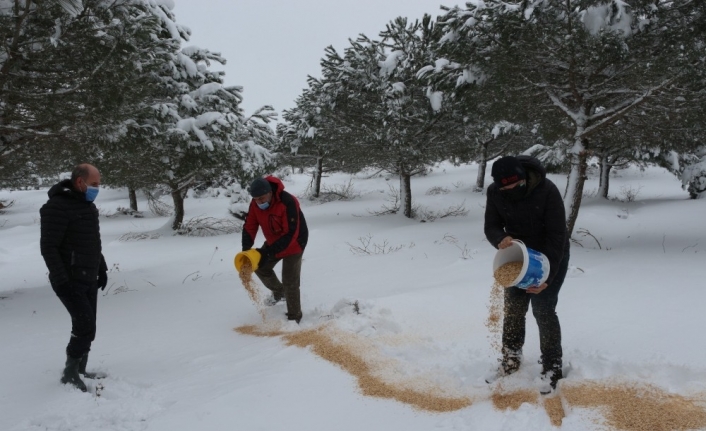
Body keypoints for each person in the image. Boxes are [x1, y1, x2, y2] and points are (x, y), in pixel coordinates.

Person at [484, 155, 570, 393]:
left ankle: (552, 366)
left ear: (523, 177)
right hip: (518, 255)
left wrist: (547, 278)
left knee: (543, 308)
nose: (512, 190)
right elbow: (491, 225)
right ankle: (510, 359)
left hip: (551, 254)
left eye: (516, 185)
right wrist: (499, 239)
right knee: (513, 309)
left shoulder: (546, 190)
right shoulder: (494, 193)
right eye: (506, 187)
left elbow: (557, 237)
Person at [40, 164, 108, 392]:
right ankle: (69, 373)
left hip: (88, 276)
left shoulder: (86, 205)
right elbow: (48, 247)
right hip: (69, 280)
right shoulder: (56, 207)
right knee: (85, 325)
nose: (98, 188)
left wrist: (102, 268)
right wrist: (62, 280)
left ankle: (80, 368)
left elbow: (91, 242)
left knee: (89, 326)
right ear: (80, 182)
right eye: (95, 184)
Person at [242, 176, 308, 323]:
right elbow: (250, 226)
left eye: (262, 198)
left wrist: (268, 252)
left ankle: (294, 317)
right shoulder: (255, 204)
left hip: (295, 241)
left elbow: (291, 233)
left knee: (290, 280)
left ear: (270, 192)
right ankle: (279, 292)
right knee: (259, 266)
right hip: (274, 239)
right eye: (256, 199)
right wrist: (246, 248)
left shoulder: (287, 202)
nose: (259, 202)